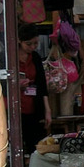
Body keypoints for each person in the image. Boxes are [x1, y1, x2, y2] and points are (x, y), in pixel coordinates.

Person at [17, 22, 51, 155]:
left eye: (35, 43)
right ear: (19, 41)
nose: (32, 47)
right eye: (28, 44)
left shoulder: (35, 57)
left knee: (37, 148)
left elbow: (42, 84)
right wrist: (17, 85)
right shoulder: (8, 56)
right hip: (16, 109)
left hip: (35, 107)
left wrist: (47, 110)